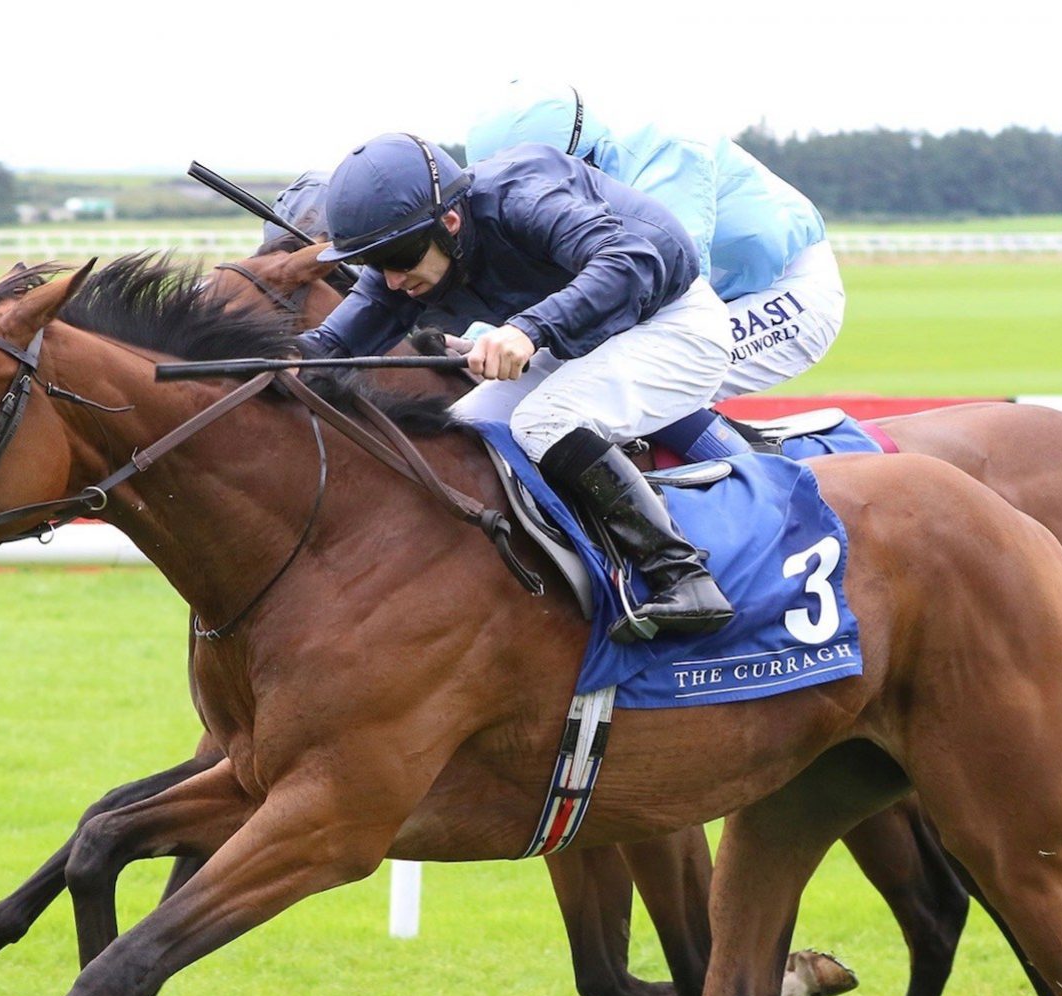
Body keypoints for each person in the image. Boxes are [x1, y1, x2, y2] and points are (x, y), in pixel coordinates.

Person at [295, 133, 734, 641]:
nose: (391, 279)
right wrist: (275, 360)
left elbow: (628, 261)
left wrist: (529, 329)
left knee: (543, 421)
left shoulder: (522, 196)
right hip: (589, 341)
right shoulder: (415, 248)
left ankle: (682, 575)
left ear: (450, 223)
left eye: (398, 258)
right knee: (466, 431)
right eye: (375, 263)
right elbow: (333, 342)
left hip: (675, 323)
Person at [463, 82, 844, 463]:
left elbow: (667, 278)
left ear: (578, 159)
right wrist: (487, 336)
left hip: (787, 291)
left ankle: (760, 480)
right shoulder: (569, 176)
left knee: (643, 374)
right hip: (704, 297)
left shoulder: (666, 152)